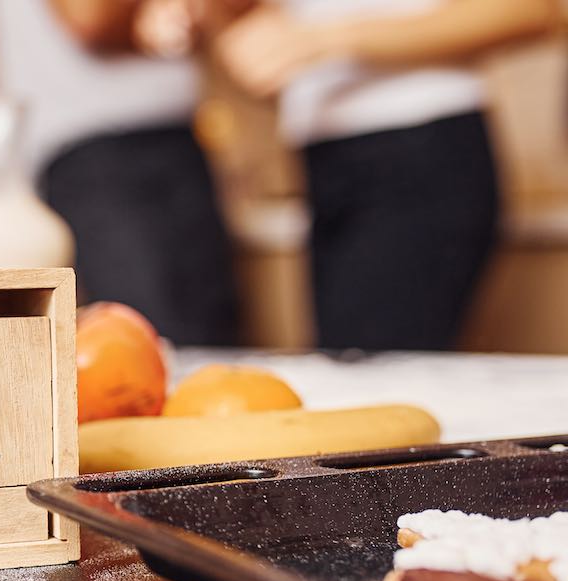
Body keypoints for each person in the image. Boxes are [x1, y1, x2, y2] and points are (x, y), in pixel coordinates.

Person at [192, 0, 558, 350]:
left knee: (367, 371)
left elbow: (529, 10)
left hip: (420, 146)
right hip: (325, 159)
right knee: (348, 366)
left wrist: (323, 38)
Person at [0, 0, 239, 344]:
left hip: (169, 143)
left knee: (206, 339)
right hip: (101, 154)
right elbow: (89, 16)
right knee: (148, 339)